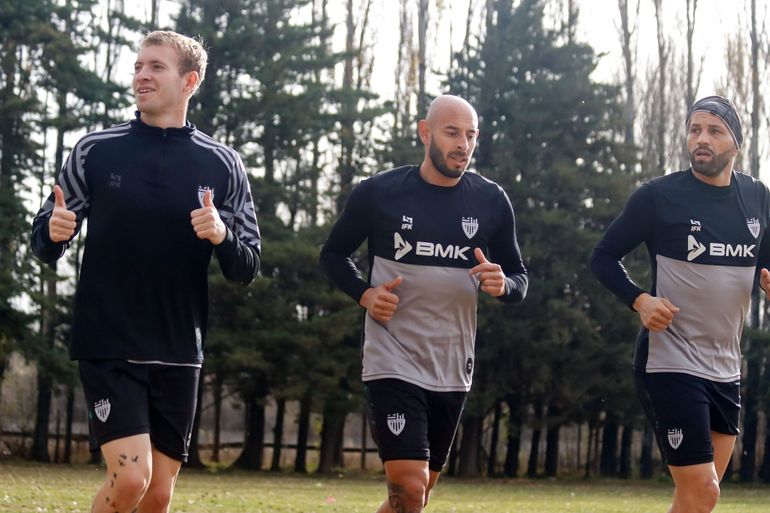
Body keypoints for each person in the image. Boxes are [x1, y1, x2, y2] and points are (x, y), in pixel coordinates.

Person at [31, 31, 261, 513]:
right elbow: (43, 244)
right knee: (132, 478)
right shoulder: (96, 149)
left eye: (156, 66)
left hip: (180, 346)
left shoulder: (223, 164)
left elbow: (247, 267)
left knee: (157, 493)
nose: (141, 75)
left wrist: (220, 233)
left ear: (190, 80)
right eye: (139, 66)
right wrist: (53, 230)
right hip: (109, 339)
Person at [320, 94, 528, 512]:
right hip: (392, 358)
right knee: (410, 487)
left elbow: (520, 279)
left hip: (452, 364)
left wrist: (502, 284)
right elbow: (332, 255)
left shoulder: (491, 201)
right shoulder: (379, 192)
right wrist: (365, 293)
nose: (463, 145)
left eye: (471, 136)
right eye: (452, 133)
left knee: (414, 498)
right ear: (425, 132)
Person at [591, 95, 770, 513]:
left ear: (736, 142)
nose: (701, 139)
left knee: (697, 500)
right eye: (694, 130)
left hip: (726, 369)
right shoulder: (659, 196)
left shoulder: (758, 198)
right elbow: (602, 257)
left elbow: (766, 267)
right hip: (669, 363)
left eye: (714, 130)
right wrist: (639, 300)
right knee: (703, 490)